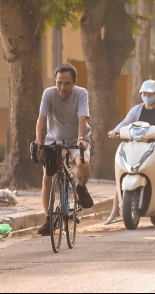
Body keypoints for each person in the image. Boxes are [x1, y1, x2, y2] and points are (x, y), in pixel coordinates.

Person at [105, 79, 155, 224]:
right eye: (144, 93)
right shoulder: (137, 109)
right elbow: (125, 122)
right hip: (138, 146)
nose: (146, 96)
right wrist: (115, 131)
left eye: (149, 93)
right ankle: (115, 211)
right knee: (123, 171)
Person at [33, 63, 93, 237]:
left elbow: (82, 119)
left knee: (83, 164)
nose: (62, 87)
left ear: (74, 83)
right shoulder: (49, 94)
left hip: (77, 140)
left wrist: (81, 139)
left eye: (67, 83)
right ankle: (49, 219)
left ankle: (81, 188)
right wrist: (38, 139)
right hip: (54, 140)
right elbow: (41, 118)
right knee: (47, 178)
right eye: (59, 82)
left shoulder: (81, 94)